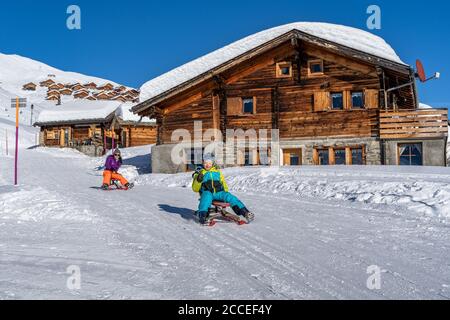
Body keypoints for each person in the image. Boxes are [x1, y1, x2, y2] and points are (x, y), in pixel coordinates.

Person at [192, 154, 254, 224]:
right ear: (203, 162)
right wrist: (198, 180)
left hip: (218, 193)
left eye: (209, 163)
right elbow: (195, 188)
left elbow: (223, 182)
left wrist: (225, 193)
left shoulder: (217, 172)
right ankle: (203, 215)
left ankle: (245, 212)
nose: (207, 165)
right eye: (205, 163)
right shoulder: (200, 172)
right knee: (206, 197)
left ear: (212, 163)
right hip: (207, 192)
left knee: (229, 196)